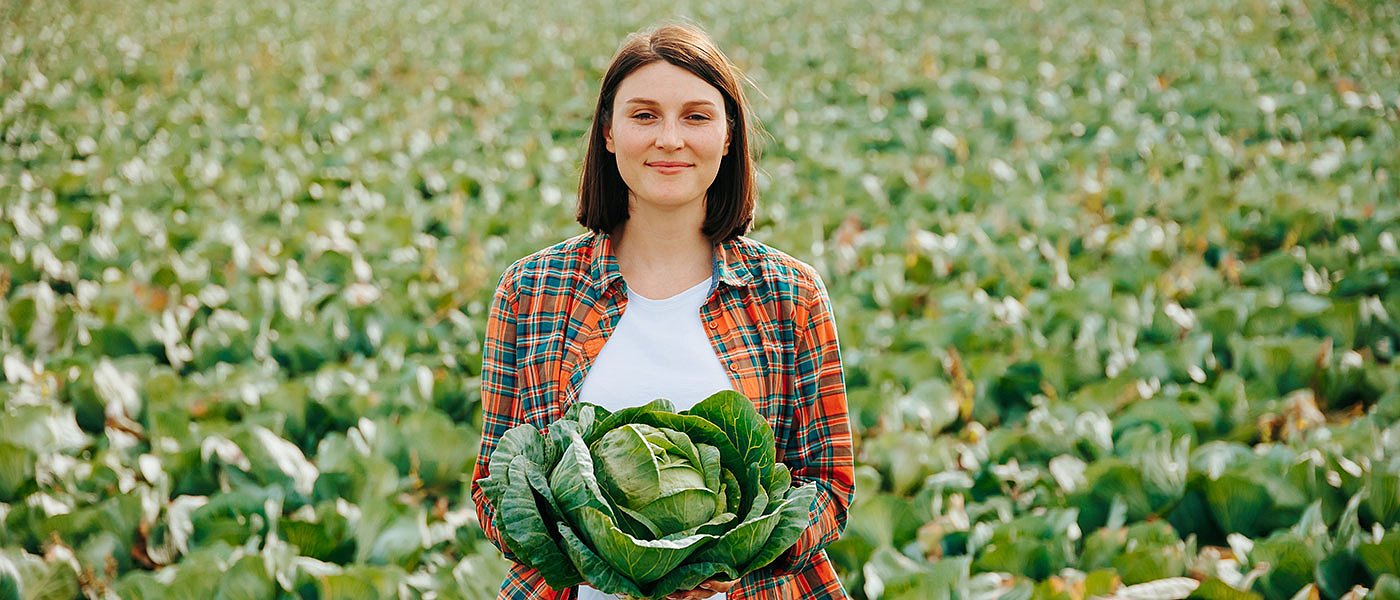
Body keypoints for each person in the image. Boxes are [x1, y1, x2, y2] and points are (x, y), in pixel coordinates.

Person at [470, 23, 854, 600]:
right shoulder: (532, 291)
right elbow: (494, 488)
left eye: (696, 116)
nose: (670, 139)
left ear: (729, 137)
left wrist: (728, 562)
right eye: (644, 115)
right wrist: (599, 555)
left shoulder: (789, 295)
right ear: (607, 132)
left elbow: (829, 484)